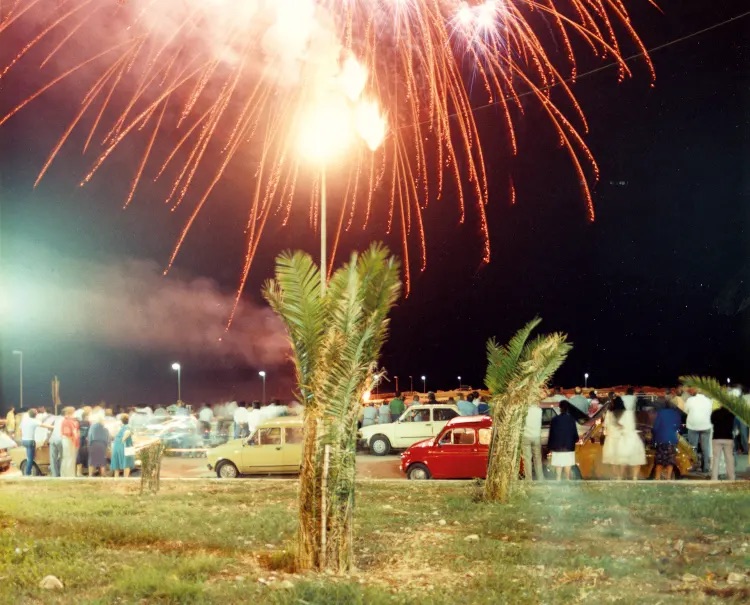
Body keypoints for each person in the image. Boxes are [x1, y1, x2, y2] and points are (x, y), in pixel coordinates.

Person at [612, 396, 647, 480]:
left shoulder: (617, 414)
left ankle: (620, 477)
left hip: (623, 438)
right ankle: (634, 477)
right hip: (633, 438)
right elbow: (636, 425)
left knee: (623, 460)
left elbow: (618, 426)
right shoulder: (630, 413)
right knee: (636, 460)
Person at [547, 400, 578, 480]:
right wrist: (574, 440)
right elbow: (575, 435)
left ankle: (558, 483)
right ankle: (567, 484)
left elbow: (551, 435)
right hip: (568, 447)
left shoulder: (554, 420)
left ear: (559, 408)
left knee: (558, 467)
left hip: (557, 447)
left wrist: (550, 446)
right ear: (568, 408)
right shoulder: (571, 419)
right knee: (567, 469)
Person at [652, 398, 681, 480]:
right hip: (672, 439)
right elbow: (678, 427)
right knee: (670, 460)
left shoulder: (660, 413)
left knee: (659, 460)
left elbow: (655, 427)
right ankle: (668, 478)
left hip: (661, 439)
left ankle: (657, 478)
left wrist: (654, 436)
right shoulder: (676, 414)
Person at [684, 389, 713, 473]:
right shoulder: (709, 401)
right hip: (706, 425)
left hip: (693, 425)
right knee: (705, 447)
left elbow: (686, 411)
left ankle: (694, 466)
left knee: (693, 447)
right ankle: (706, 467)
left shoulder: (690, 400)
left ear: (695, 393)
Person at [19, 409, 53, 475]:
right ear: (36, 415)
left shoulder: (24, 420)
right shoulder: (34, 421)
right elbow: (45, 426)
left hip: (24, 441)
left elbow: (20, 430)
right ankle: (28, 473)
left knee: (29, 456)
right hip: (30, 441)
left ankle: (30, 469)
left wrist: (23, 436)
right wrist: (55, 427)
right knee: (30, 459)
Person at [710, 405, 736, 481]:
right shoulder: (731, 414)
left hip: (717, 438)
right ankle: (731, 477)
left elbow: (712, 421)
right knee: (729, 458)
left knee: (716, 459)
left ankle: (714, 478)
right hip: (728, 438)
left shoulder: (715, 413)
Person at [522, 402, 544, 481]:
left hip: (526, 436)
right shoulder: (539, 410)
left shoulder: (524, 410)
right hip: (536, 436)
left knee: (527, 459)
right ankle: (540, 479)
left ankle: (529, 479)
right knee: (537, 458)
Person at [110, 414, 135, 478]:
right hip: (125, 447)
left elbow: (113, 435)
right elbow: (128, 432)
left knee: (117, 463)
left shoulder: (120, 427)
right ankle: (125, 478)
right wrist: (123, 439)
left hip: (117, 446)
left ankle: (116, 478)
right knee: (127, 462)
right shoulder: (128, 426)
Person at [88, 412, 110, 477]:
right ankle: (103, 474)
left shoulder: (92, 426)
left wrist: (89, 444)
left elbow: (90, 436)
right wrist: (107, 446)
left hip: (94, 444)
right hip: (102, 444)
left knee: (92, 460)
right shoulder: (105, 428)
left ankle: (90, 475)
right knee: (102, 460)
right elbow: (107, 438)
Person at [60, 406, 80, 477]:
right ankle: (69, 475)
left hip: (70, 440)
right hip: (68, 440)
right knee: (69, 457)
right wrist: (73, 439)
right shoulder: (67, 421)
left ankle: (68, 474)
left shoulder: (70, 420)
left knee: (69, 457)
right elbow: (67, 433)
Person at [76, 409, 91, 477]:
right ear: (86, 416)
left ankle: (78, 472)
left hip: (78, 440)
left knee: (79, 456)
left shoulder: (78, 423)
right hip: (84, 441)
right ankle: (81, 472)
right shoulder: (88, 423)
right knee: (82, 456)